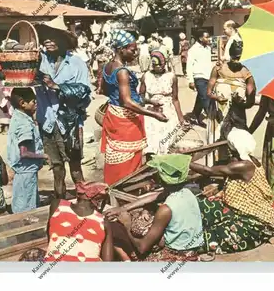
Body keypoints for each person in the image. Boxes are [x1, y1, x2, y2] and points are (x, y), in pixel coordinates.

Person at [189, 128, 274, 254]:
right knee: (201, 205)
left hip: (254, 222)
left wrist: (185, 162)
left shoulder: (243, 166)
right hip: (239, 211)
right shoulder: (250, 160)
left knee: (206, 238)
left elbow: (208, 171)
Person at [100, 30, 168, 186]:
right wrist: (153, 114)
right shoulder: (122, 71)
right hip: (126, 121)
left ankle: (113, 189)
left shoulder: (107, 67)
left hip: (113, 116)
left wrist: (148, 100)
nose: (136, 53)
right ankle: (126, 191)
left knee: (115, 157)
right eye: (132, 50)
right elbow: (127, 102)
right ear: (121, 49)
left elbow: (104, 91)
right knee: (129, 160)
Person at [34, 16, 92, 199]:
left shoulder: (76, 63)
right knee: (57, 168)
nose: (47, 41)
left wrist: (57, 87)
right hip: (47, 123)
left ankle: (85, 203)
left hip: (70, 123)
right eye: (45, 37)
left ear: (63, 40)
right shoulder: (39, 60)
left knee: (75, 167)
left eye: (52, 37)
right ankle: (59, 206)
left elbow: (85, 94)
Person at [113, 154, 204, 262]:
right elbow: (157, 196)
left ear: (161, 179)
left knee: (117, 232)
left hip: (175, 256)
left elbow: (142, 248)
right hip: (192, 251)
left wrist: (126, 223)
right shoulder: (188, 193)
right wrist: (125, 207)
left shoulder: (166, 209)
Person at [206, 42, 255, 164]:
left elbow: (250, 102)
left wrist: (241, 103)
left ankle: (235, 172)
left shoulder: (246, 73)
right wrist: (217, 97)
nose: (236, 61)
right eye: (234, 57)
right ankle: (217, 169)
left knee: (237, 143)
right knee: (219, 140)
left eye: (238, 58)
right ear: (230, 55)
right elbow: (208, 92)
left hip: (237, 116)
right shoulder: (218, 69)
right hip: (219, 114)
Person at [45, 182, 114, 262]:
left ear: (78, 195)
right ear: (99, 201)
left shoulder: (57, 205)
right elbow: (108, 263)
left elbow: (49, 235)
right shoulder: (103, 221)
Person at [7, 88, 47, 213]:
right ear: (22, 103)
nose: (36, 104)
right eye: (33, 102)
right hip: (26, 171)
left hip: (21, 171)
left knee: (21, 200)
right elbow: (23, 153)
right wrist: (44, 156)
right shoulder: (24, 124)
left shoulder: (17, 117)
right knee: (27, 207)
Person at [140, 51, 186, 157]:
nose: (159, 67)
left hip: (168, 111)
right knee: (152, 142)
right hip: (152, 113)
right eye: (156, 65)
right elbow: (140, 97)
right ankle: (152, 168)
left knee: (167, 141)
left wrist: (181, 118)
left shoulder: (172, 77)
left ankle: (165, 167)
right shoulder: (146, 76)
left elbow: (175, 99)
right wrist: (150, 101)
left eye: (161, 64)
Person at [187, 29, 213, 128]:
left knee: (201, 98)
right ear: (200, 38)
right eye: (206, 37)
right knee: (206, 99)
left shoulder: (208, 49)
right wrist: (190, 80)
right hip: (199, 77)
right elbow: (189, 65)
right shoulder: (193, 50)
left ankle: (195, 115)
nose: (208, 39)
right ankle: (213, 121)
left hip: (208, 76)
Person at [0, 58, 12, 134]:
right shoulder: (0, 73)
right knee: (4, 109)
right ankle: (6, 126)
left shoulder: (9, 72)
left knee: (8, 109)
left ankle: (9, 126)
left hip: (7, 92)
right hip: (3, 93)